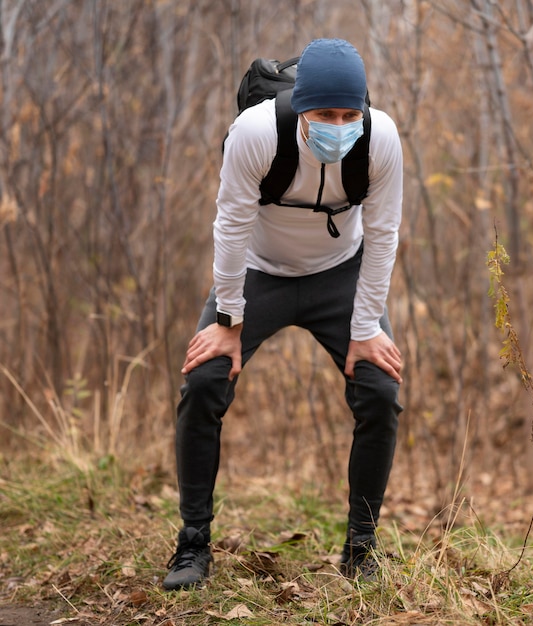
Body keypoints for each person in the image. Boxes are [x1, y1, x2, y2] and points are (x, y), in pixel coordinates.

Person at [163, 38, 403, 590]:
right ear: (300, 106)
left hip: (340, 274)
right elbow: (229, 226)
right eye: (324, 114)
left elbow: (385, 235)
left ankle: (361, 550)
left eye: (349, 115)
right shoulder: (254, 132)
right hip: (258, 271)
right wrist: (228, 321)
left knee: (380, 390)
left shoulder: (381, 137)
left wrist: (365, 330)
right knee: (203, 382)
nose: (337, 125)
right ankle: (193, 544)